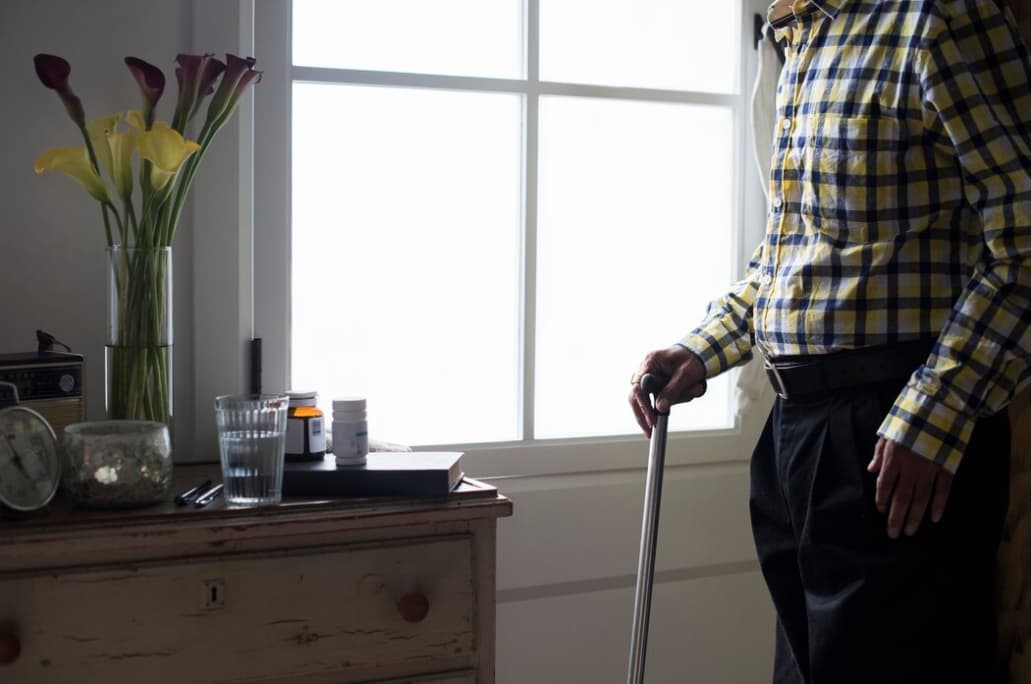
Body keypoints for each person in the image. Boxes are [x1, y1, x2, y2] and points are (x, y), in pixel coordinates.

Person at [629, 1, 1030, 682]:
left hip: (898, 433)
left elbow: (1023, 241)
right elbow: (798, 253)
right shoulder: (800, 36)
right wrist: (705, 346)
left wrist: (933, 412)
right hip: (795, 435)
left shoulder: (937, 18)